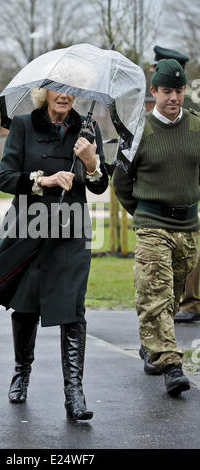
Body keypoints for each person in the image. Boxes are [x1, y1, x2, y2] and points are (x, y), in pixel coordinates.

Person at [0, 88, 108, 421]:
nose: (64, 96)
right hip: (29, 226)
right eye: (58, 89)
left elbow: (99, 187)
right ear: (44, 93)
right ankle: (21, 371)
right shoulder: (24, 126)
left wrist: (92, 163)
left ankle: (75, 393)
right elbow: (5, 178)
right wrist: (46, 179)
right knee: (26, 305)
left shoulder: (87, 129)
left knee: (72, 307)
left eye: (71, 91)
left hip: (71, 232)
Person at [112, 59, 200, 397]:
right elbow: (120, 182)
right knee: (154, 295)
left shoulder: (196, 127)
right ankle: (171, 364)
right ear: (154, 92)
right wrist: (144, 215)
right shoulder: (137, 131)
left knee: (173, 296)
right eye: (167, 91)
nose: (174, 97)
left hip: (188, 227)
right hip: (152, 225)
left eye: (178, 90)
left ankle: (151, 346)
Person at [151, 47, 200, 325]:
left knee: (189, 247)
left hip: (187, 188)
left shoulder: (188, 105)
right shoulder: (187, 98)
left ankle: (191, 303)